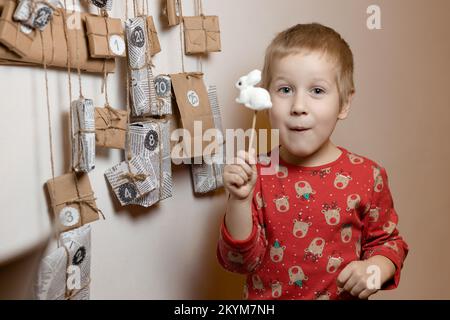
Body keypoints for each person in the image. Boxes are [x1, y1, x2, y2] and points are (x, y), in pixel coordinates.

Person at [217, 23, 409, 300]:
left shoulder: (368, 175)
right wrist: (239, 201)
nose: (298, 106)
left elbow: (388, 243)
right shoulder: (255, 174)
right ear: (266, 97)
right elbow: (238, 262)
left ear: (344, 103)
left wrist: (376, 268)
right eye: (285, 90)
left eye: (317, 91)